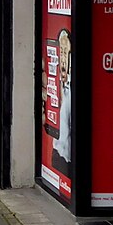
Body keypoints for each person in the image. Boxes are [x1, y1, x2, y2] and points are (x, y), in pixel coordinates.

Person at [51, 28, 71, 175]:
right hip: (57, 153)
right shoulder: (57, 82)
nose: (63, 58)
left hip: (69, 158)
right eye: (61, 52)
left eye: (66, 52)